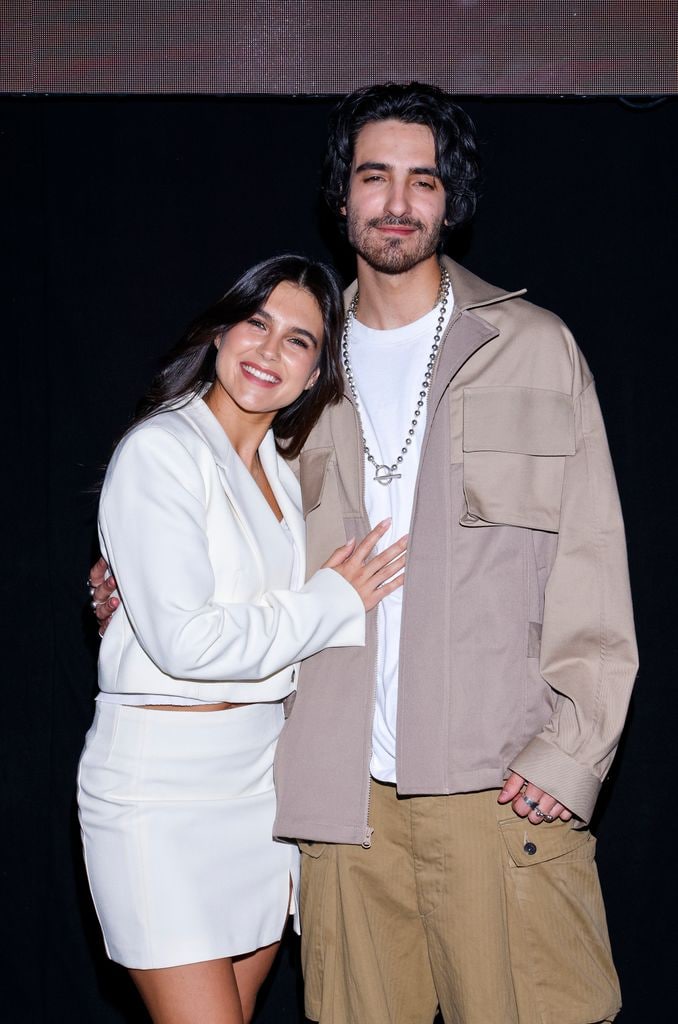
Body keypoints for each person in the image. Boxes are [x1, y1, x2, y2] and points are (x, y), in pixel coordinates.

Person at [92, 84, 638, 1024]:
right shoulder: (300, 366)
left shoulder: (533, 348)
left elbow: (593, 561)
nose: (396, 201)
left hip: (494, 789)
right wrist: (131, 591)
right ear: (340, 197)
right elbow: (220, 539)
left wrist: (575, 751)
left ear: (450, 200)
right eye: (373, 175)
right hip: (333, 804)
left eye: (422, 181)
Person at [79, 253, 407, 1024]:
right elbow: (189, 644)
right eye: (257, 323)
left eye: (299, 340)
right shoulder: (161, 451)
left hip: (259, 796)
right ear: (221, 331)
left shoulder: (288, 474)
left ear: (316, 373)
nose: (269, 350)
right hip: (158, 797)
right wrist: (334, 597)